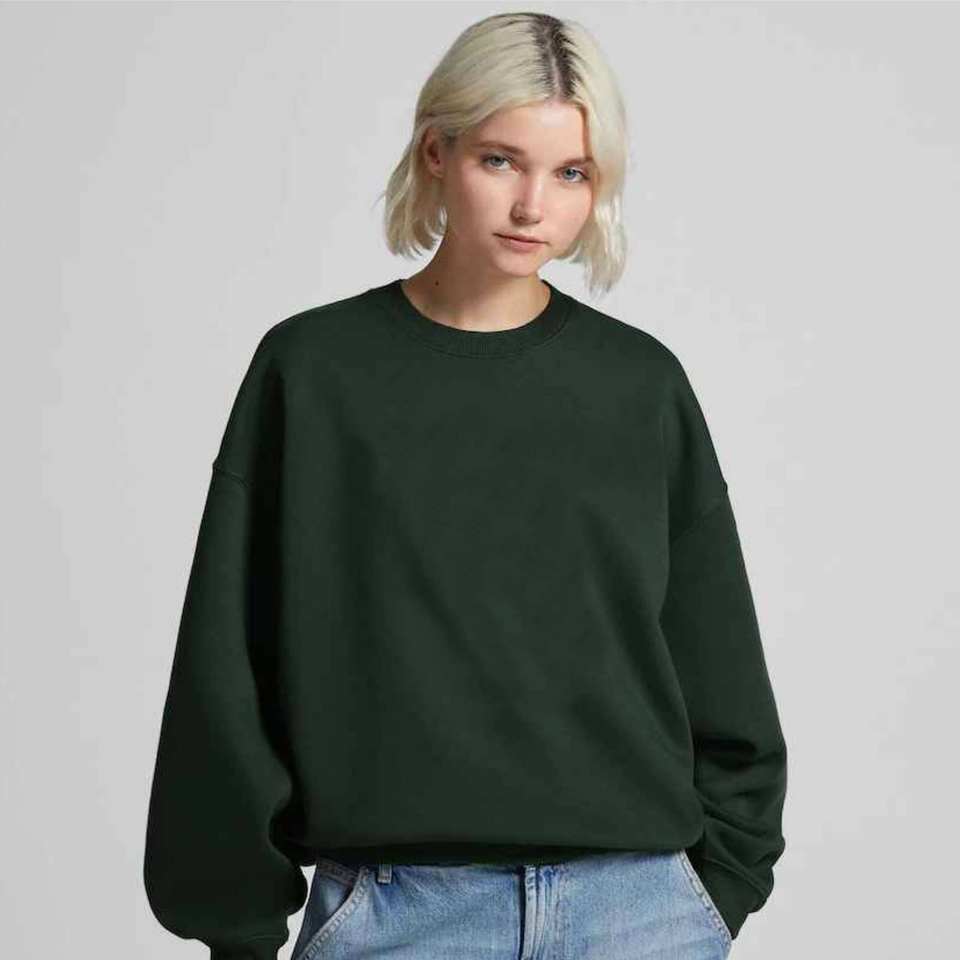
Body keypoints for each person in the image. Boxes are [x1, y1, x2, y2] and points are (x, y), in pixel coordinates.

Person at [143, 11, 787, 960]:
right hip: (402, 914)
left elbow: (716, 654)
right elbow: (227, 660)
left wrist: (718, 886)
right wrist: (234, 927)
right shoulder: (314, 373)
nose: (533, 206)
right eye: (500, 161)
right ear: (436, 152)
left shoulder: (638, 385)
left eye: (570, 173)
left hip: (639, 914)